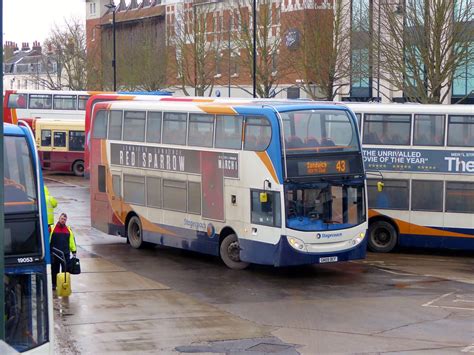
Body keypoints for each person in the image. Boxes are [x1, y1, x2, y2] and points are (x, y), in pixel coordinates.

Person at [50, 213, 77, 290]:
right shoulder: (52, 228)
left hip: (65, 254)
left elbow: (71, 241)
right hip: (55, 253)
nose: (63, 220)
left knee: (65, 271)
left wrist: (74, 251)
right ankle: (54, 284)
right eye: (62, 219)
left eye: (64, 219)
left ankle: (63, 285)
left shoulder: (68, 229)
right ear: (59, 219)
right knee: (55, 270)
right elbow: (47, 240)